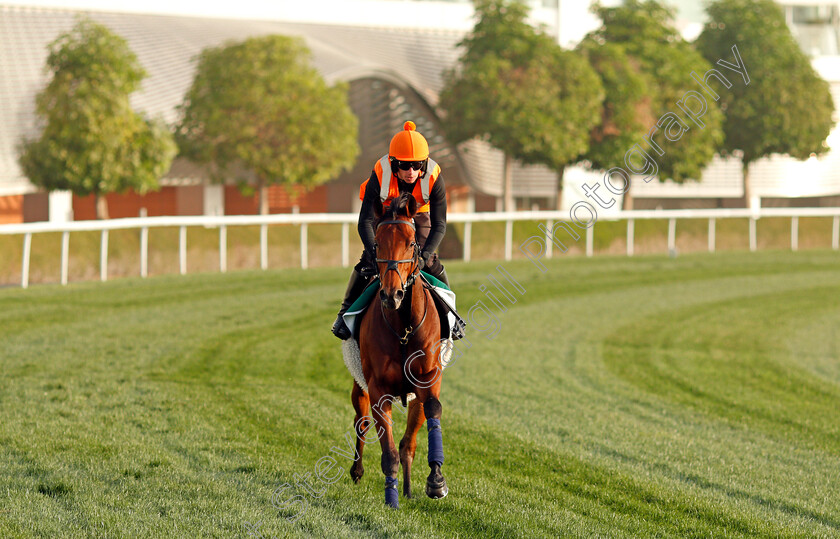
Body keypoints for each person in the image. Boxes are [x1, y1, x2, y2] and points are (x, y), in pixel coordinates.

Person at [332, 120, 449, 340]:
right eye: (404, 166)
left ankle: (451, 316)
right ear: (393, 163)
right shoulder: (380, 172)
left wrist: (423, 256)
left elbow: (440, 224)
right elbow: (365, 221)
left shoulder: (434, 176)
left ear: (424, 163)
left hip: (419, 213)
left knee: (432, 262)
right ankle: (344, 313)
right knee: (368, 260)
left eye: (417, 165)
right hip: (386, 213)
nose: (411, 171)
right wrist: (374, 252)